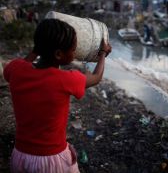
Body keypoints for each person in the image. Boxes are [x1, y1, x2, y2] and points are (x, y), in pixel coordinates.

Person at [3, 18, 112, 173]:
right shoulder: (66, 79)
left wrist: (38, 48)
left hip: (20, 156)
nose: (74, 53)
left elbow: (20, 65)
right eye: (73, 50)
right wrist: (102, 54)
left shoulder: (15, 69)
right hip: (51, 159)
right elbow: (96, 77)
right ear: (59, 54)